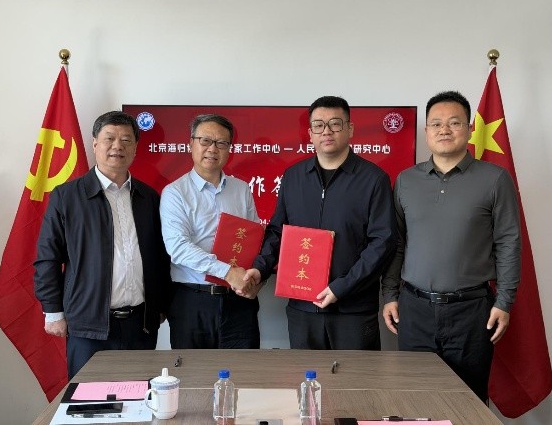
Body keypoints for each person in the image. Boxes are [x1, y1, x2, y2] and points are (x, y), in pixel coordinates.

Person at [381, 90, 521, 402]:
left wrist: (504, 302)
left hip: (471, 311)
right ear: (426, 131)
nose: (444, 129)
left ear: (469, 129)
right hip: (414, 309)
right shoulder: (406, 180)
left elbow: (508, 242)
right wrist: (390, 294)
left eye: (454, 123)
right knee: (414, 400)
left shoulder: (495, 179)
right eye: (436, 123)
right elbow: (397, 243)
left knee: (467, 400)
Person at [247, 96, 397, 350]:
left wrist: (341, 287)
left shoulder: (373, 179)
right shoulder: (294, 176)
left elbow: (382, 242)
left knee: (355, 376)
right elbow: (277, 231)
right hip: (303, 307)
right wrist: (260, 268)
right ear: (310, 133)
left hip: (353, 309)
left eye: (335, 124)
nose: (326, 131)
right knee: (306, 375)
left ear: (350, 129)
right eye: (318, 125)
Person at [34, 110, 172, 379]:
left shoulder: (148, 197)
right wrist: (52, 311)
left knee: (139, 397)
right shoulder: (67, 197)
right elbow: (48, 258)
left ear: (136, 148)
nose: (117, 146)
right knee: (89, 399)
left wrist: (160, 305)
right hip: (89, 326)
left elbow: (161, 257)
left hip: (140, 325)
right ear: (95, 143)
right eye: (109, 138)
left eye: (126, 140)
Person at [160, 114, 263, 349]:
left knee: (242, 368)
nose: (212, 149)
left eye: (221, 143)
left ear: (229, 149)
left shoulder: (241, 189)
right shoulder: (175, 193)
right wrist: (227, 272)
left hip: (239, 302)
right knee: (193, 371)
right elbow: (178, 248)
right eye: (205, 140)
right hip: (192, 302)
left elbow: (254, 239)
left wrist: (257, 279)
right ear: (191, 144)